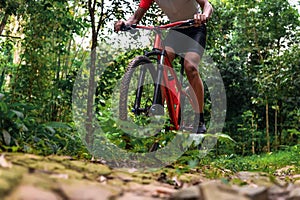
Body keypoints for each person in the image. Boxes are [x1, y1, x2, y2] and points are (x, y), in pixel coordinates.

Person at [114, 0, 213, 134]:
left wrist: (204, 15)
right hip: (176, 31)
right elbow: (135, 18)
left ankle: (199, 119)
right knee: (163, 62)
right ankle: (159, 110)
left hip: (195, 28)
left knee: (190, 67)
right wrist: (125, 23)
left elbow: (207, 5)